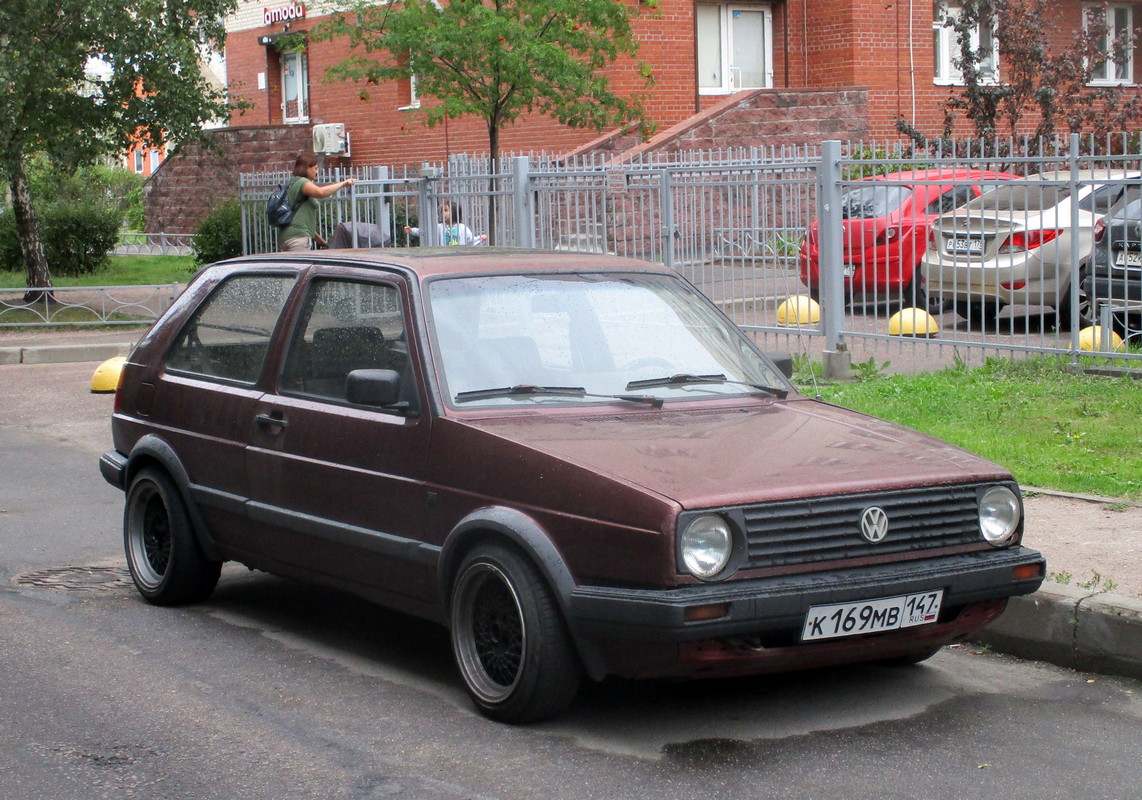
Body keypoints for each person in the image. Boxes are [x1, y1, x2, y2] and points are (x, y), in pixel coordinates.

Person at [280, 154, 357, 252]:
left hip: (289, 236)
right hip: (298, 239)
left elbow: (300, 220)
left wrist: (321, 241)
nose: (316, 172)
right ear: (307, 168)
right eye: (315, 168)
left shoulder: (293, 182)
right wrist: (343, 183)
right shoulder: (301, 182)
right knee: (300, 266)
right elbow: (321, 192)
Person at [404, 201, 487, 246]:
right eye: (442, 210)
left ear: (454, 212)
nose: (443, 213)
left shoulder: (462, 228)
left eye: (446, 210)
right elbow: (425, 232)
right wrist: (412, 230)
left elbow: (471, 240)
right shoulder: (439, 227)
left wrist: (480, 238)